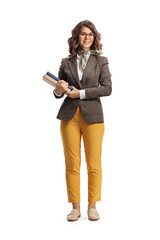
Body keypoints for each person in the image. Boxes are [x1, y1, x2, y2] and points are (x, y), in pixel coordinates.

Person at [53, 20, 112, 221]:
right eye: (83, 34)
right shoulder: (66, 61)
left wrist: (82, 93)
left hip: (93, 116)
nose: (87, 37)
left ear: (94, 38)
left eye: (90, 35)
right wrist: (58, 89)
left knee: (93, 163)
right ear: (77, 37)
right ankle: (75, 208)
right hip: (69, 116)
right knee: (72, 164)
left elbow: (107, 88)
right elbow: (59, 91)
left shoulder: (101, 61)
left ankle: (92, 207)